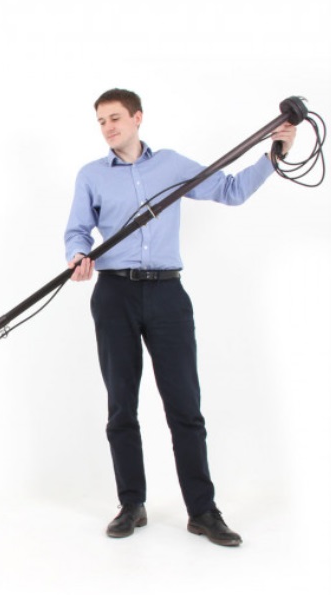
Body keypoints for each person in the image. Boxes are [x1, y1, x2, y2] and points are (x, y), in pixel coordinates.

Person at [64, 88, 296, 546]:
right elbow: (77, 230)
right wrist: (77, 254)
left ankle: (203, 511)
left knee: (185, 407)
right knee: (121, 405)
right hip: (114, 294)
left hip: (168, 294)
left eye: (115, 118)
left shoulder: (170, 165)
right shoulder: (91, 175)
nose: (108, 127)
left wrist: (275, 154)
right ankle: (132, 504)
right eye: (101, 121)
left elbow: (230, 190)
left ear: (137, 118)